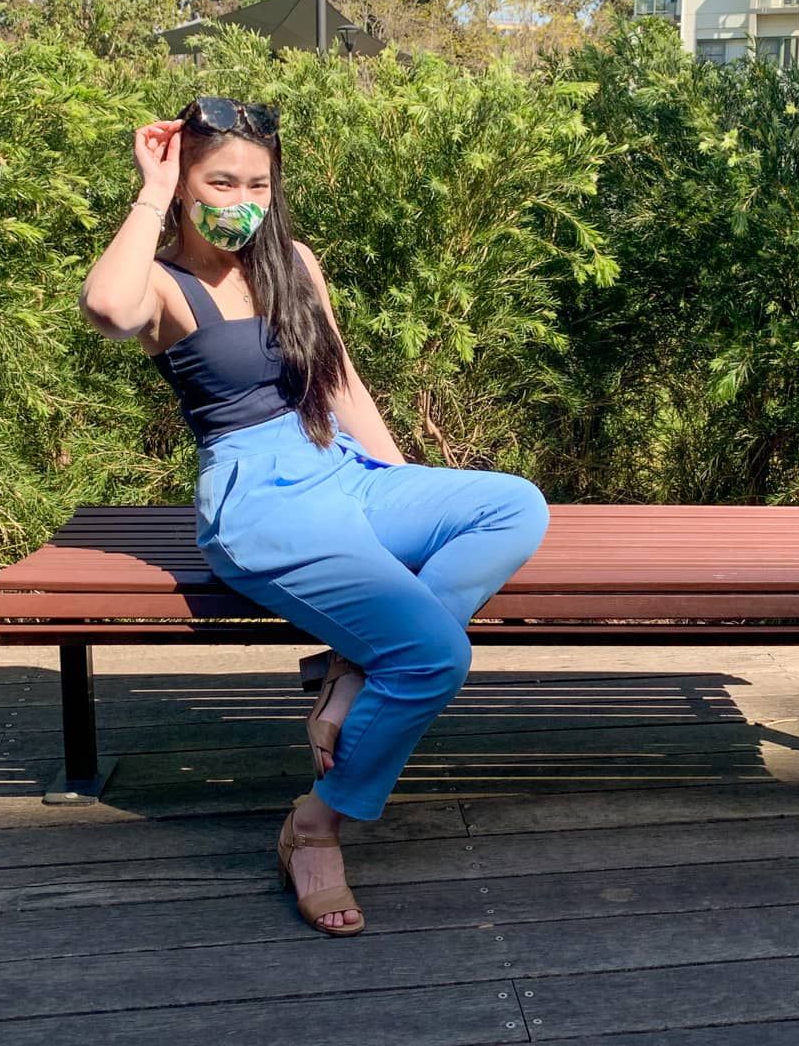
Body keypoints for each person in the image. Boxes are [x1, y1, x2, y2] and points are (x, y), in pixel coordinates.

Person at [78, 97, 551, 936]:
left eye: (257, 181)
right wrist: (146, 192)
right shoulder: (161, 283)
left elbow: (342, 384)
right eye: (220, 179)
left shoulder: (292, 260)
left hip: (342, 466)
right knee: (435, 655)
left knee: (510, 502)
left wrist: (408, 492)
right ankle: (317, 825)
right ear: (184, 181)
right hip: (261, 501)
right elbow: (107, 309)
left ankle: (348, 674)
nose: (241, 198)